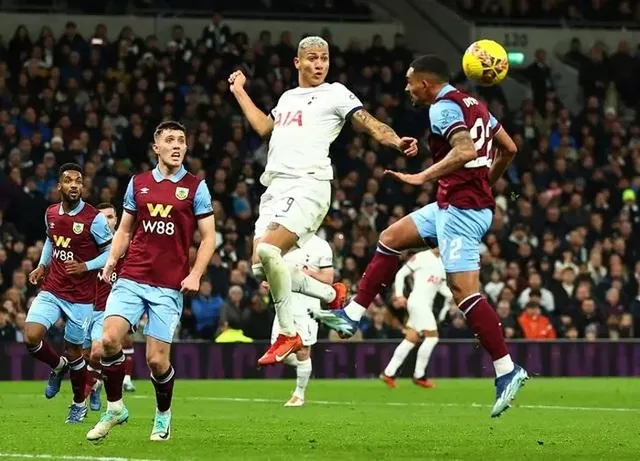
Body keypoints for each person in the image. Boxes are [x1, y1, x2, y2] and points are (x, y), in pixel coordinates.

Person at [314, 54, 527, 418]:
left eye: (410, 81)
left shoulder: (442, 108)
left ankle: (507, 370)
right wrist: (485, 184)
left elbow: (465, 150)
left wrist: (421, 177)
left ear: (426, 84)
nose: (406, 87)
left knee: (464, 292)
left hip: (463, 213)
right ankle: (353, 313)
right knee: (391, 237)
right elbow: (509, 148)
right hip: (454, 204)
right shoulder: (474, 104)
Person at [228, 35, 417, 366]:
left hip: (309, 184)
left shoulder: (335, 93)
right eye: (312, 58)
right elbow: (264, 129)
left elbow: (369, 123)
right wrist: (239, 92)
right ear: (297, 63)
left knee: (270, 251)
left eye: (324, 59)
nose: (319, 64)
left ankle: (288, 332)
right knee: (261, 267)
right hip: (275, 189)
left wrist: (396, 141)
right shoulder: (287, 97)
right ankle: (331, 294)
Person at [86, 121, 216, 441]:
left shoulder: (196, 186)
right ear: (156, 147)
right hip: (133, 276)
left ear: (186, 148)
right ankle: (116, 407)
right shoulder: (138, 183)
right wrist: (112, 261)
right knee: (109, 341)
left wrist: (196, 273)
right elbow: (125, 230)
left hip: (169, 285)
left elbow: (209, 237)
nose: (177, 145)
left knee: (157, 361)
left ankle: (162, 416)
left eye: (182, 140)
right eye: (169, 140)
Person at [25, 163, 112, 423]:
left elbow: (110, 253)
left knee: (75, 352)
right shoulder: (50, 213)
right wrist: (42, 265)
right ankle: (57, 366)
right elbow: (52, 241)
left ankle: (77, 404)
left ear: (82, 187)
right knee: (31, 336)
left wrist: (86, 265)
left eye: (78, 181)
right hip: (53, 288)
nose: (74, 185)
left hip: (81, 297)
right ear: (59, 186)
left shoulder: (94, 218)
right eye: (68, 180)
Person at [265, 235, 334, 406]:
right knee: (279, 353)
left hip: (308, 304)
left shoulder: (321, 245)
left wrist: (307, 273)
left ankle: (299, 394)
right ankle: (306, 368)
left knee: (302, 349)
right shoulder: (285, 239)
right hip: (284, 302)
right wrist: (270, 282)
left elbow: (328, 279)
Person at [381, 248, 451, 388]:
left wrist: (454, 296)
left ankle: (389, 373)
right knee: (432, 337)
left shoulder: (443, 263)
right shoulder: (421, 257)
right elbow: (401, 274)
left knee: (411, 338)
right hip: (418, 302)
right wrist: (399, 294)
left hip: (424, 305)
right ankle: (419, 375)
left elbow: (441, 286)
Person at [82, 202, 120, 412]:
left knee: (97, 352)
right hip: (85, 307)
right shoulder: (87, 245)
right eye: (103, 217)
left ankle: (79, 403)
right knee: (85, 356)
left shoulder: (125, 247)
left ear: (116, 220)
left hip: (107, 311)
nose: (107, 221)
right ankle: (96, 385)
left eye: (111, 217)